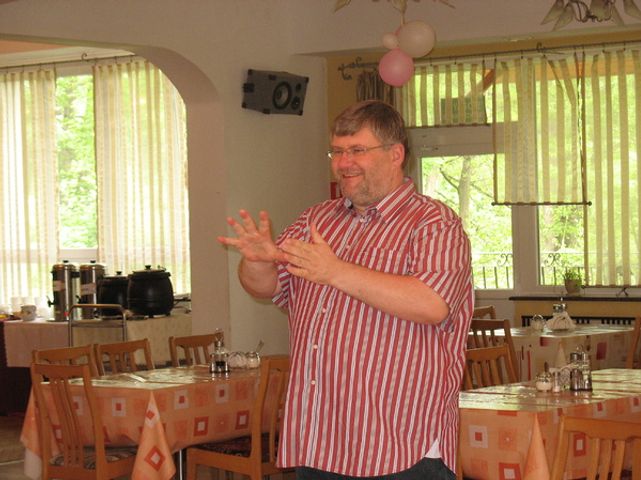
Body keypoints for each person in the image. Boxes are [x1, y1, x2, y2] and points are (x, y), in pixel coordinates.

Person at [218, 100, 473, 479]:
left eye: (357, 150)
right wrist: (257, 262)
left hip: (400, 444)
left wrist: (335, 271)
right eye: (337, 152)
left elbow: (431, 304)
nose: (343, 162)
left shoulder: (434, 223)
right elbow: (266, 287)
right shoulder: (316, 219)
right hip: (319, 439)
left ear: (395, 154)